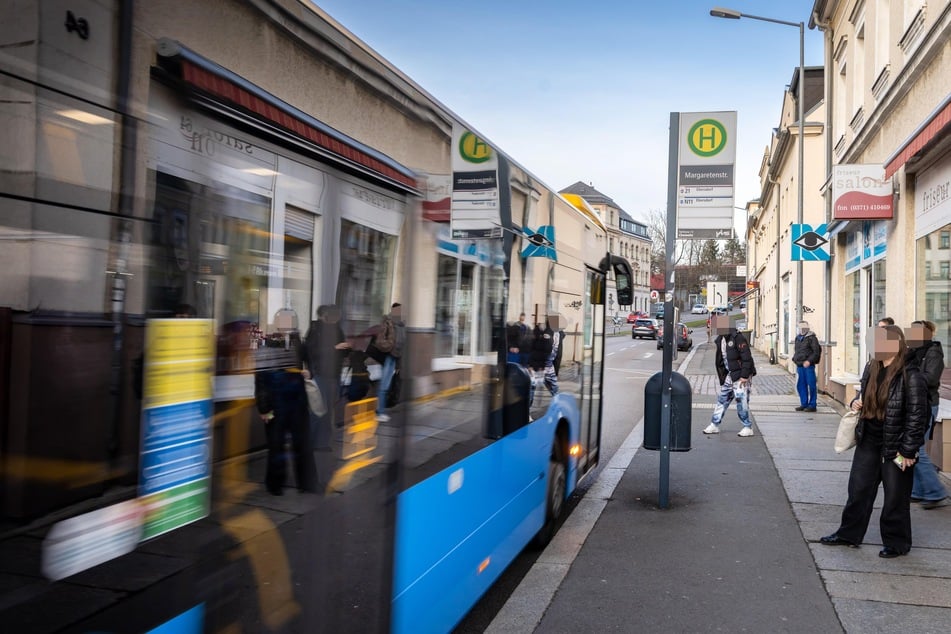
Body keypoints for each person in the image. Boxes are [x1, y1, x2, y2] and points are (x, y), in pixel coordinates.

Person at [820, 325, 930, 558]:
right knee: (858, 491)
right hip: (869, 440)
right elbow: (864, 395)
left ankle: (897, 543)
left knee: (895, 497)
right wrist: (855, 403)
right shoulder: (872, 367)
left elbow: (918, 415)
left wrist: (908, 450)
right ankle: (848, 534)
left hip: (896, 445)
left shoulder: (911, 374)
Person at [254, 316, 317, 495]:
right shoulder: (268, 344)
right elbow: (260, 379)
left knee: (302, 444)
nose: (286, 325)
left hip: (297, 402)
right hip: (276, 403)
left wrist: (309, 373)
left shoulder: (300, 344)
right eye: (282, 321)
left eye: (289, 321)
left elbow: (312, 365)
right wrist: (264, 407)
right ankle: (275, 485)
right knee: (275, 444)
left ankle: (307, 483)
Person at [906, 320, 948, 509]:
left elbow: (931, 378)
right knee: (911, 447)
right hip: (912, 404)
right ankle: (917, 490)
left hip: (927, 404)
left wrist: (908, 377)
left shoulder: (933, 351)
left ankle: (935, 491)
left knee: (917, 448)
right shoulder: (912, 351)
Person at [302, 304, 350, 449]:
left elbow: (343, 352)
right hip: (319, 373)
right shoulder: (316, 329)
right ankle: (310, 442)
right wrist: (334, 348)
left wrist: (346, 349)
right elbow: (312, 351)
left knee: (328, 411)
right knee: (318, 410)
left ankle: (323, 442)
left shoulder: (338, 330)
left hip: (334, 375)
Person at [703, 313, 756, 437]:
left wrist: (744, 375)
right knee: (722, 399)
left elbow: (747, 358)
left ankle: (747, 426)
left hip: (741, 376)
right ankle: (714, 424)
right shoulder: (720, 340)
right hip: (731, 375)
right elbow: (721, 360)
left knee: (741, 400)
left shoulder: (738, 338)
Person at [375, 303, 405, 421]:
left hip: (394, 357)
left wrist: (398, 364)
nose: (398, 312)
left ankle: (380, 410)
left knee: (385, 385)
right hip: (387, 355)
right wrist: (388, 347)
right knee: (384, 385)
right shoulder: (388, 322)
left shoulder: (401, 325)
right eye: (396, 310)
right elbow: (380, 339)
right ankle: (380, 412)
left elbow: (402, 346)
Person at [793, 320, 821, 412]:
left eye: (802, 327)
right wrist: (795, 359)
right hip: (800, 365)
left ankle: (812, 405)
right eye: (799, 327)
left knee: (811, 384)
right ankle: (804, 404)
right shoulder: (798, 338)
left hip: (808, 366)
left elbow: (816, 352)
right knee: (800, 385)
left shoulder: (812, 338)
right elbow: (797, 350)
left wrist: (809, 361)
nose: (801, 329)